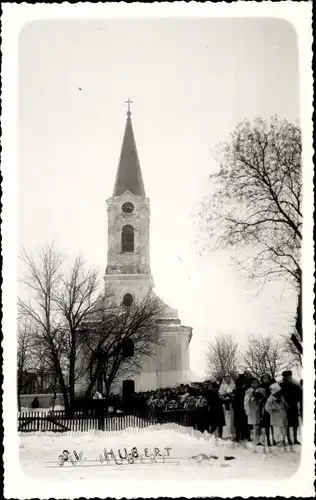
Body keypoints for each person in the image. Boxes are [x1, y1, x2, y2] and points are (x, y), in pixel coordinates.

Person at [280, 370, 301, 445]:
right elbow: (279, 396)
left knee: (295, 424)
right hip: (285, 407)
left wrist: (294, 402)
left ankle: (295, 439)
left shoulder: (295, 385)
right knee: (287, 424)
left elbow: (299, 396)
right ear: (284, 377)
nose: (289, 378)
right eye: (288, 376)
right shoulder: (281, 386)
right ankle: (288, 439)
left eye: (290, 376)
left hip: (293, 406)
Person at [265, 383, 288, 447]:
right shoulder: (270, 399)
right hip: (275, 417)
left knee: (283, 429)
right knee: (277, 430)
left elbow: (285, 405)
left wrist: (284, 405)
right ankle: (278, 441)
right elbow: (267, 408)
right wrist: (274, 407)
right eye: (278, 392)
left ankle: (283, 440)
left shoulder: (281, 397)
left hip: (282, 415)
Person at [244, 378, 266, 446]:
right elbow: (246, 401)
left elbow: (263, 398)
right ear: (251, 384)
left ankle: (259, 439)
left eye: (256, 382)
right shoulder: (248, 391)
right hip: (252, 409)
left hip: (260, 409)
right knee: (255, 425)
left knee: (259, 425)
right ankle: (255, 440)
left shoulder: (261, 390)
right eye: (253, 383)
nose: (255, 384)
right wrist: (247, 410)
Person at [259, 374, 276, 446]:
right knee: (266, 425)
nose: (265, 379)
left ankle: (274, 439)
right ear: (262, 379)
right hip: (264, 406)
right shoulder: (261, 386)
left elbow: (277, 393)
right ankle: (268, 440)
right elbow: (259, 397)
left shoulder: (273, 385)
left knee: (273, 424)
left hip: (273, 406)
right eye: (264, 378)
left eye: (267, 378)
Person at [231, 375, 248, 444]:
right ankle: (243, 436)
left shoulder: (235, 391)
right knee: (243, 421)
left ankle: (238, 436)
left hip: (237, 407)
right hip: (242, 407)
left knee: (238, 422)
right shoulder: (244, 390)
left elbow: (233, 399)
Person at [219, 374, 236, 439]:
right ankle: (226, 434)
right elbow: (220, 393)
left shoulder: (233, 385)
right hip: (225, 404)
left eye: (228, 378)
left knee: (232, 418)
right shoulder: (222, 386)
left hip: (232, 403)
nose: (227, 379)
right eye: (226, 378)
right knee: (226, 418)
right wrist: (224, 396)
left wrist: (231, 396)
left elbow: (234, 392)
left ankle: (232, 433)